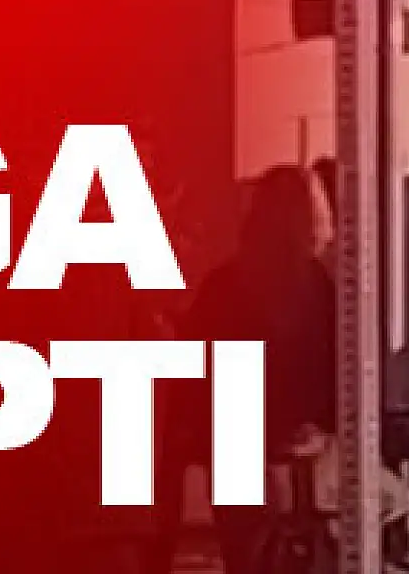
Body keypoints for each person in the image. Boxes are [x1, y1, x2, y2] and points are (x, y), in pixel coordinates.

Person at [152, 164, 336, 574]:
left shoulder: (225, 286)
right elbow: (335, 372)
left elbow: (193, 379)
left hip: (236, 448)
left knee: (247, 557)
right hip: (303, 453)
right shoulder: (320, 290)